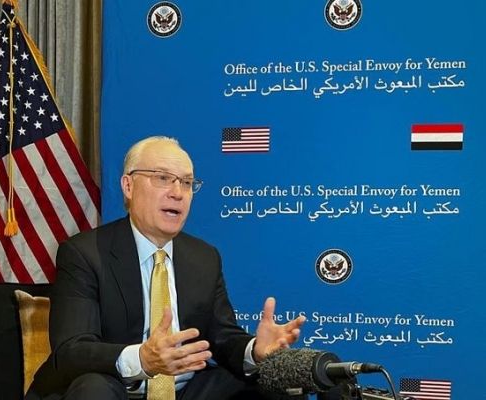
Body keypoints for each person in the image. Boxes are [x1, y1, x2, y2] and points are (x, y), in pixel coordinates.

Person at [26, 136, 306, 400]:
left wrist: (255, 351)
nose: (177, 193)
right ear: (128, 186)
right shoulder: (84, 253)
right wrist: (143, 359)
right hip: (115, 387)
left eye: (187, 183)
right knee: (94, 388)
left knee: (271, 383)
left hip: (185, 391)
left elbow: (223, 338)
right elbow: (72, 350)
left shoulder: (204, 257)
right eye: (162, 178)